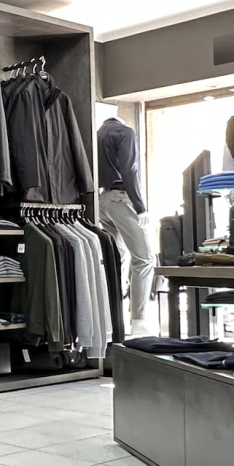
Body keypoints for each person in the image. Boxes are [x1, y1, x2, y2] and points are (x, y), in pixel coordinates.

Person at [95, 116, 153, 330]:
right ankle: (139, 320)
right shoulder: (125, 132)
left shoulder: (96, 135)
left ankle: (112, 320)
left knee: (116, 259)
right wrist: (140, 206)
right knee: (145, 258)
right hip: (121, 197)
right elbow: (130, 170)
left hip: (103, 200)